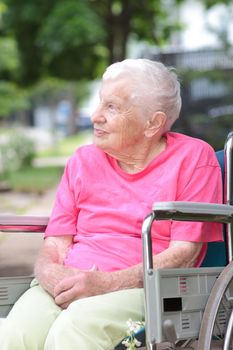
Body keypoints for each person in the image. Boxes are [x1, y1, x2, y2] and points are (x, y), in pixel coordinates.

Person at [0, 59, 223, 350]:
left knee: (73, 332)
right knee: (11, 337)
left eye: (112, 107)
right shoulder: (82, 161)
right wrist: (52, 274)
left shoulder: (194, 159)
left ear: (152, 123)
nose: (95, 116)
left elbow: (184, 253)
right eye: (100, 103)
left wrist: (103, 283)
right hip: (66, 281)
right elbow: (55, 244)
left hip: (145, 289)